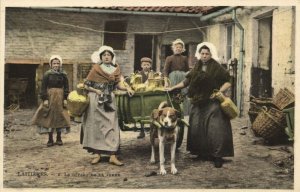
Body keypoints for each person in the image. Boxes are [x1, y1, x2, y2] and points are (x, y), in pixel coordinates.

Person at [166, 42, 234, 168]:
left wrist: (220, 91)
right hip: (198, 101)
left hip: (212, 101)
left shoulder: (216, 67)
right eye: (202, 53)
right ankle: (201, 153)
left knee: (215, 129)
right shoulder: (196, 66)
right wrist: (174, 87)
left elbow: (228, 81)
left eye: (207, 54)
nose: (204, 56)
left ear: (210, 55)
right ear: (199, 54)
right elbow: (187, 81)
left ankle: (217, 156)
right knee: (196, 126)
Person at [81, 45, 134, 166]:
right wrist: (96, 91)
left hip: (109, 100)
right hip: (96, 100)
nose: (106, 57)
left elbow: (118, 85)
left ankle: (112, 156)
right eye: (104, 55)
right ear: (101, 57)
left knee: (112, 125)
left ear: (112, 57)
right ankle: (97, 154)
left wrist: (128, 89)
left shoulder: (116, 69)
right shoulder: (96, 69)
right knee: (96, 127)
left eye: (108, 55)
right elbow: (86, 85)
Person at [32, 55, 70, 147]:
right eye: (54, 63)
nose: (56, 65)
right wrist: (45, 99)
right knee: (50, 116)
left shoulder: (63, 74)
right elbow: (43, 87)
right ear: (51, 64)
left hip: (60, 97)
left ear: (60, 64)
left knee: (60, 116)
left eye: (58, 63)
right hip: (50, 97)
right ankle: (50, 139)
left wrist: (65, 98)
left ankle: (59, 138)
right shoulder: (47, 74)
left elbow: (66, 87)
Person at [163, 39, 190, 113]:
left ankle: (184, 113)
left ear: (183, 49)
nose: (178, 48)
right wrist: (166, 82)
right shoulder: (169, 58)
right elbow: (165, 71)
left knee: (183, 95)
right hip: (173, 78)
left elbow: (187, 70)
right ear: (173, 48)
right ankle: (174, 112)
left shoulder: (185, 58)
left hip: (183, 78)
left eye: (180, 47)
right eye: (176, 47)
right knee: (174, 95)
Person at [136, 57, 152, 139]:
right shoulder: (138, 74)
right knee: (141, 113)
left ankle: (152, 130)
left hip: (150, 95)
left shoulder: (153, 74)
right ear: (141, 66)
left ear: (150, 66)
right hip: (141, 94)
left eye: (148, 65)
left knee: (150, 111)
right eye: (144, 65)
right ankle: (142, 131)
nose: (146, 66)